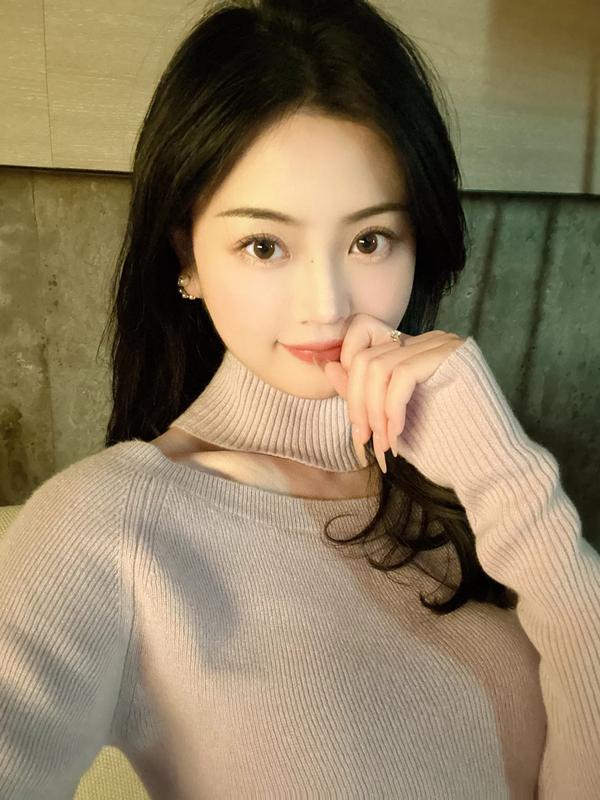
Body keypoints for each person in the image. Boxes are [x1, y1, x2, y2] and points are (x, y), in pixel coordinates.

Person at [1, 0, 599, 797]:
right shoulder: (106, 526)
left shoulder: (465, 473)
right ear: (186, 255)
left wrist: (509, 475)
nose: (327, 305)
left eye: (368, 240)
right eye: (264, 245)